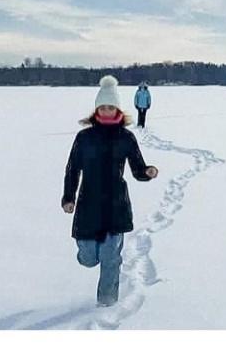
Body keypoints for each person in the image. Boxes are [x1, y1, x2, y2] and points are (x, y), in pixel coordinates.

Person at [61, 75, 159, 307]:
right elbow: (72, 169)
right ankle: (87, 258)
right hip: (88, 205)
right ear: (96, 109)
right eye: (102, 107)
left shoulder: (126, 137)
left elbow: (137, 168)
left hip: (116, 206)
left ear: (117, 109)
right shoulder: (84, 137)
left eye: (111, 107)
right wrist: (68, 197)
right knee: (87, 257)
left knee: (110, 259)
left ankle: (106, 305)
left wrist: (147, 172)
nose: (106, 111)